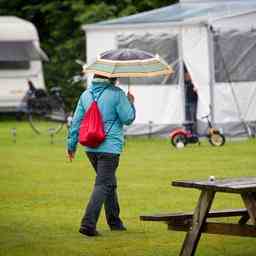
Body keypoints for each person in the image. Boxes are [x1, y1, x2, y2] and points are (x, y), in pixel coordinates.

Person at [67, 74, 136, 237]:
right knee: (103, 184)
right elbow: (128, 119)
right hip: (110, 148)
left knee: (109, 182)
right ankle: (88, 224)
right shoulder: (117, 93)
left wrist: (71, 145)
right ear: (112, 78)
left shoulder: (86, 94)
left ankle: (115, 223)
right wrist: (131, 103)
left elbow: (76, 122)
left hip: (90, 148)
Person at [184, 68, 198, 134]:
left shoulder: (194, 83)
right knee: (187, 118)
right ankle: (188, 131)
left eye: (187, 75)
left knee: (193, 118)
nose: (186, 77)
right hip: (187, 102)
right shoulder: (186, 83)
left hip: (193, 102)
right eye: (185, 75)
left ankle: (194, 132)